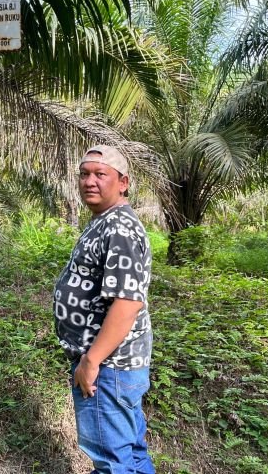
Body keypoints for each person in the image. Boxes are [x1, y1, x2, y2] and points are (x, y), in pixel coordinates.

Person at [53, 146, 155, 474]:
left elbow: (127, 303)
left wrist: (91, 361)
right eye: (84, 174)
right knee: (132, 455)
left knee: (112, 462)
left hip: (108, 367)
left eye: (100, 174)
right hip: (113, 367)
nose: (89, 181)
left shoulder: (120, 227)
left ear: (123, 183)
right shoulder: (105, 220)